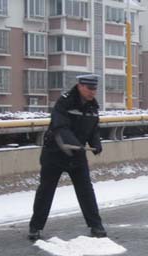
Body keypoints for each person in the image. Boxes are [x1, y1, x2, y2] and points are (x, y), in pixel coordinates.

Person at [28, 75, 106, 241]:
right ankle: (35, 227)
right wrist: (74, 143)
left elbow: (93, 130)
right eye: (90, 89)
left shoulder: (92, 107)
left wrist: (96, 143)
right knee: (46, 191)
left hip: (77, 156)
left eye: (95, 89)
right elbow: (60, 126)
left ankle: (96, 226)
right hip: (54, 154)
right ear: (80, 86)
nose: (93, 92)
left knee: (86, 191)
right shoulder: (64, 102)